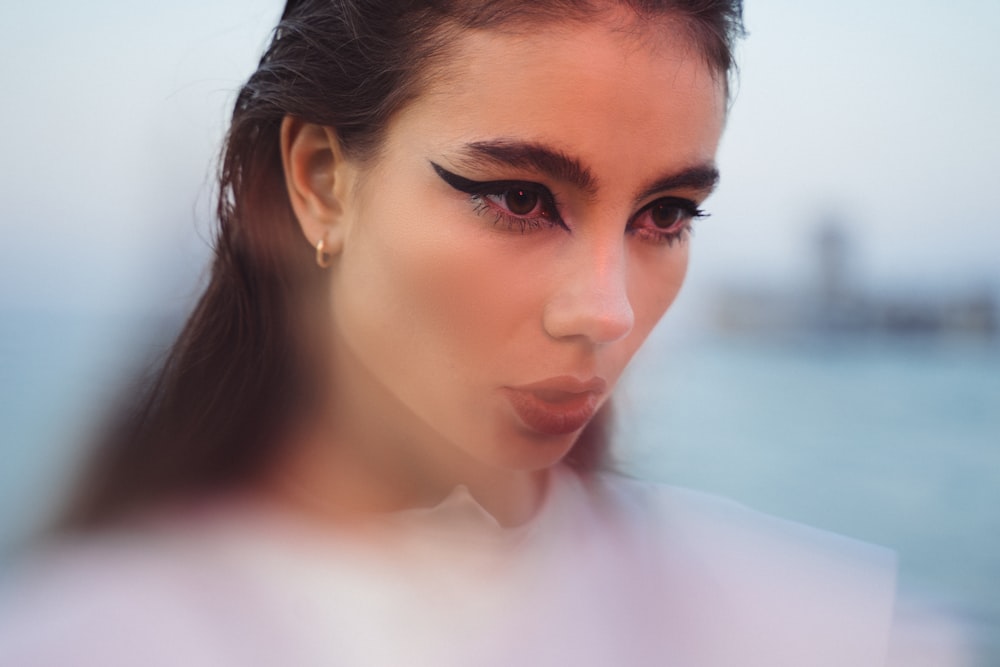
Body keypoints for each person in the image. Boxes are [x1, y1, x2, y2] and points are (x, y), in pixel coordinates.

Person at [0, 1, 897, 665]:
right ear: (320, 180)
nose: (607, 312)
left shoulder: (827, 626)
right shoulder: (80, 635)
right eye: (518, 198)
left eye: (665, 214)